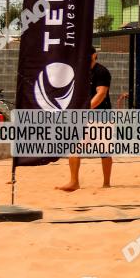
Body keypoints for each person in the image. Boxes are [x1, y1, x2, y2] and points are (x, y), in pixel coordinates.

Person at [57, 46, 113, 192]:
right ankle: (74, 182)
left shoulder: (101, 72)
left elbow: (101, 94)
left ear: (94, 55)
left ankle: (106, 183)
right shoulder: (80, 72)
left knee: (105, 151)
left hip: (102, 116)